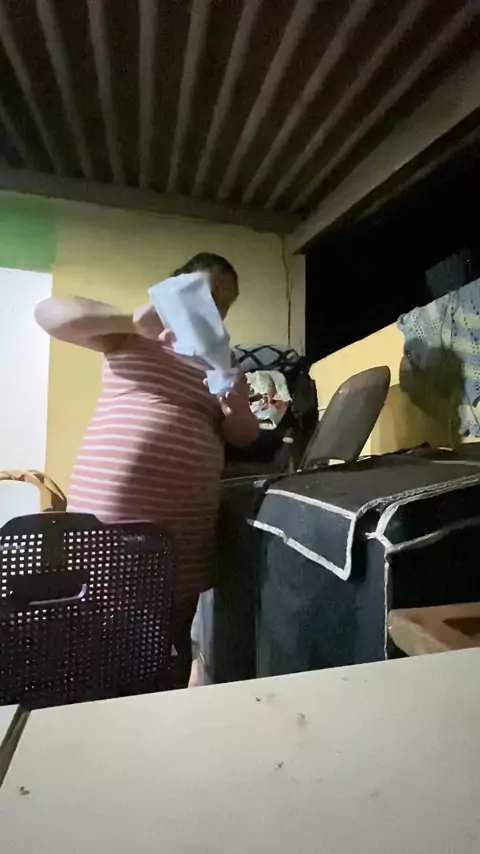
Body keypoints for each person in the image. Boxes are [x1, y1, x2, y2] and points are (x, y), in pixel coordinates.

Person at [35, 253, 259, 685]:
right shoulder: (135, 332)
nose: (218, 307)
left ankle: (163, 712)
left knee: (170, 641)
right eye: (210, 293)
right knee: (96, 639)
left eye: (227, 302)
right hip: (115, 520)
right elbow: (48, 314)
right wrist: (134, 320)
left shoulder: (222, 359)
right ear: (176, 286)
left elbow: (243, 436)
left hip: (188, 529)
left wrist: (238, 409)